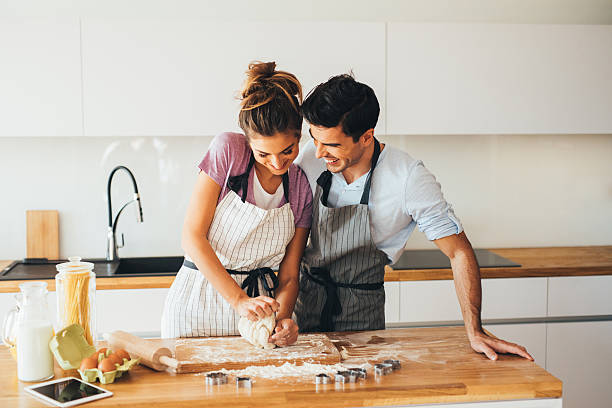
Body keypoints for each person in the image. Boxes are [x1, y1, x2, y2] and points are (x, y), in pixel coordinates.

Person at [293, 74, 533, 361]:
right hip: (303, 305)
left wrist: (475, 330)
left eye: (332, 145)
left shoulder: (407, 177)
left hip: (361, 315)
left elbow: (458, 252)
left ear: (367, 136)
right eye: (314, 139)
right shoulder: (310, 155)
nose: (319, 152)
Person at [161, 62, 312, 347]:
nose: (278, 163)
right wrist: (239, 300)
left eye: (287, 151)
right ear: (248, 142)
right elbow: (192, 237)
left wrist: (283, 319)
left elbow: (290, 276)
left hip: (258, 317)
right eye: (264, 153)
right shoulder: (229, 151)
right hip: (197, 305)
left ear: (299, 137)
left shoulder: (301, 187)